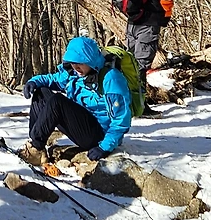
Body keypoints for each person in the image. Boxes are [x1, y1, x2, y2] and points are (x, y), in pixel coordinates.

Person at [20, 35, 132, 169]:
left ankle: (36, 148)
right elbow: (53, 79)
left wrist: (104, 147)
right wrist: (33, 82)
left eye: (80, 63)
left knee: (57, 102)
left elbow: (121, 119)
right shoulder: (73, 73)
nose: (76, 67)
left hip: (99, 135)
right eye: (73, 63)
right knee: (41, 92)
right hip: (81, 123)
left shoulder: (111, 79)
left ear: (90, 60)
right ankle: (36, 146)